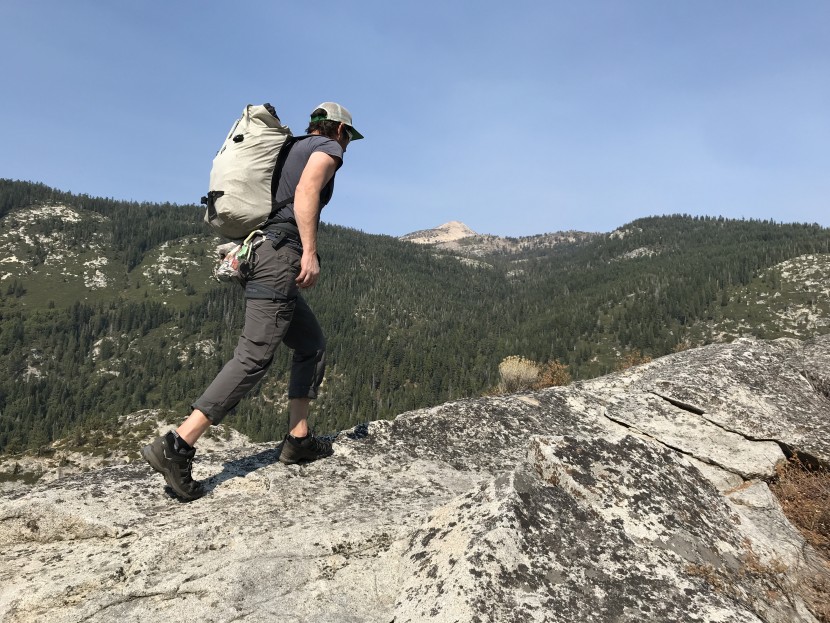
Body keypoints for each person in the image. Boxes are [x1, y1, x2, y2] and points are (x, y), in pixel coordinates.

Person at [142, 102, 363, 501]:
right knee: (254, 356)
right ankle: (177, 445)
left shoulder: (288, 148)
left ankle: (298, 439)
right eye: (348, 137)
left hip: (260, 253)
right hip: (281, 256)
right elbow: (308, 192)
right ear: (338, 131)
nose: (348, 146)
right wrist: (309, 251)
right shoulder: (326, 151)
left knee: (310, 344)